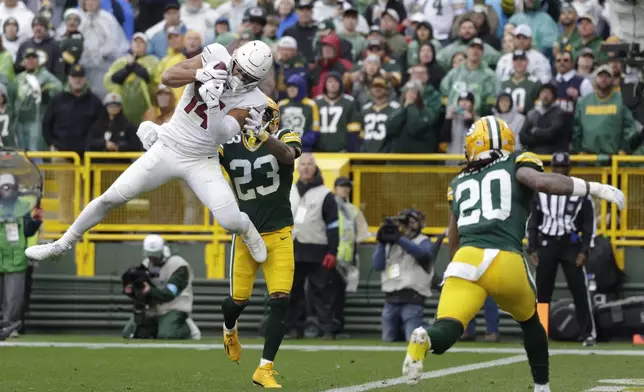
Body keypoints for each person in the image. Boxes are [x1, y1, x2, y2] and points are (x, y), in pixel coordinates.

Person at [401, 116, 625, 392]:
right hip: (503, 258)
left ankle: (425, 338)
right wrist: (594, 188)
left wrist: (456, 269)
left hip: (465, 259)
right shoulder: (516, 161)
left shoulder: (459, 182)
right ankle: (542, 386)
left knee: (447, 327)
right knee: (530, 321)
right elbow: (541, 183)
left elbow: (453, 235)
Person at [25, 41, 274, 265]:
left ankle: (247, 230)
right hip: (169, 145)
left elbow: (219, 134)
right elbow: (167, 77)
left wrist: (212, 106)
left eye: (247, 76)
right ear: (234, 58)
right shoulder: (216, 55)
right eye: (239, 69)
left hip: (202, 159)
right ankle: (62, 243)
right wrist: (201, 73)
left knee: (229, 221)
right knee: (111, 198)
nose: (239, 77)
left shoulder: (255, 100)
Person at [218, 98, 301, 388]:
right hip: (246, 235)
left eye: (262, 115)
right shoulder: (228, 143)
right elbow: (199, 157)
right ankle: (229, 328)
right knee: (237, 302)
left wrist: (265, 138)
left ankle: (264, 369)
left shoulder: (283, 136)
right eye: (250, 114)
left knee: (280, 300)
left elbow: (289, 156)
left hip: (279, 234)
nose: (255, 119)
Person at [527, 152, 597, 347]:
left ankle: (588, 333)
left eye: (562, 167)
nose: (559, 171)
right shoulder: (541, 191)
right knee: (542, 293)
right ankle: (539, 333)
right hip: (547, 243)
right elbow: (533, 221)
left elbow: (588, 224)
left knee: (579, 290)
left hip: (570, 245)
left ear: (569, 168)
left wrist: (584, 250)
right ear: (552, 169)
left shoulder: (580, 190)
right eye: (556, 167)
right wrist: (532, 247)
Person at [286, 153, 339, 340]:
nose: (306, 168)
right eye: (303, 164)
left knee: (322, 293)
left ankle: (327, 329)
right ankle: (294, 327)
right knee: (293, 291)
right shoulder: (289, 190)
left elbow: (333, 226)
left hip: (318, 250)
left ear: (315, 168)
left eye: (310, 164)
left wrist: (333, 251)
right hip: (293, 248)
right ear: (297, 168)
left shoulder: (325, 194)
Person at [373, 209, 444, 342]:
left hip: (413, 297)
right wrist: (382, 242)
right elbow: (377, 265)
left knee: (413, 338)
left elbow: (423, 254)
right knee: (388, 338)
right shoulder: (390, 244)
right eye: (403, 223)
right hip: (391, 299)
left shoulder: (423, 241)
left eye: (411, 223)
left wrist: (399, 239)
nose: (407, 227)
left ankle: (436, 330)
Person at [122, 234, 201, 340]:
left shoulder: (178, 265)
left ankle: (188, 327)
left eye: (154, 256)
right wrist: (132, 291)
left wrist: (149, 290)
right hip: (154, 307)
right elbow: (142, 291)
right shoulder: (146, 264)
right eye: (150, 255)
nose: (152, 259)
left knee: (168, 335)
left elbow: (170, 294)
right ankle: (158, 328)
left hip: (174, 306)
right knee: (132, 334)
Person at [0, 173, 42, 339]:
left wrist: (37, 221)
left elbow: (27, 231)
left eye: (9, 187)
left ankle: (11, 328)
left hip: (16, 259)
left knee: (14, 298)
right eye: (4, 187)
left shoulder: (23, 207)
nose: (7, 190)